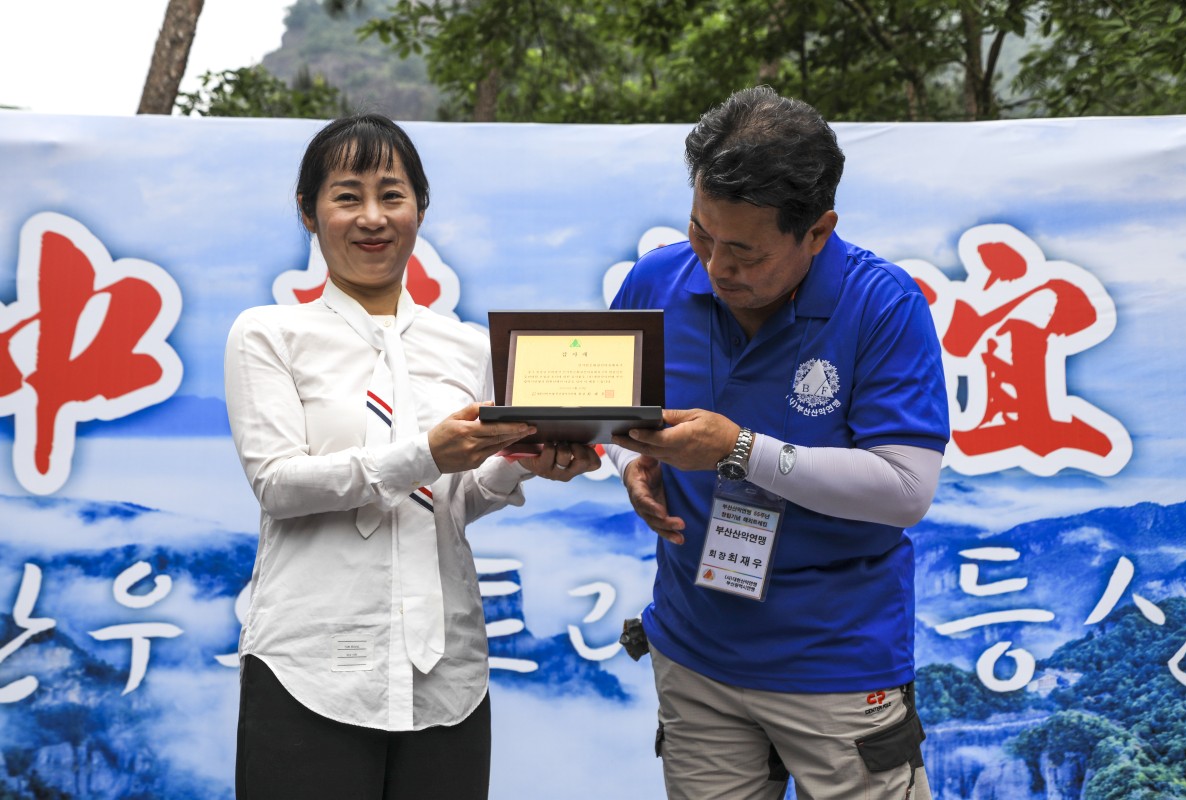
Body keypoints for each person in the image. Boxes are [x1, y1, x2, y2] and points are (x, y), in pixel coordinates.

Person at [224, 112, 598, 800]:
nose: (373, 217)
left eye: (392, 195)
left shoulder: (467, 346)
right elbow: (278, 485)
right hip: (311, 669)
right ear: (308, 212)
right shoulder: (268, 334)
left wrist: (522, 461)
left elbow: (452, 500)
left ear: (420, 209)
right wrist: (425, 454)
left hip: (447, 674)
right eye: (347, 196)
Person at [607, 86, 950, 800]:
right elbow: (612, 416)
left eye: (744, 251)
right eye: (701, 234)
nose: (715, 266)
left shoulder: (882, 304)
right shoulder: (656, 282)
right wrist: (630, 461)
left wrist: (739, 450)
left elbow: (906, 489)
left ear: (817, 232)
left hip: (837, 663)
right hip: (695, 653)